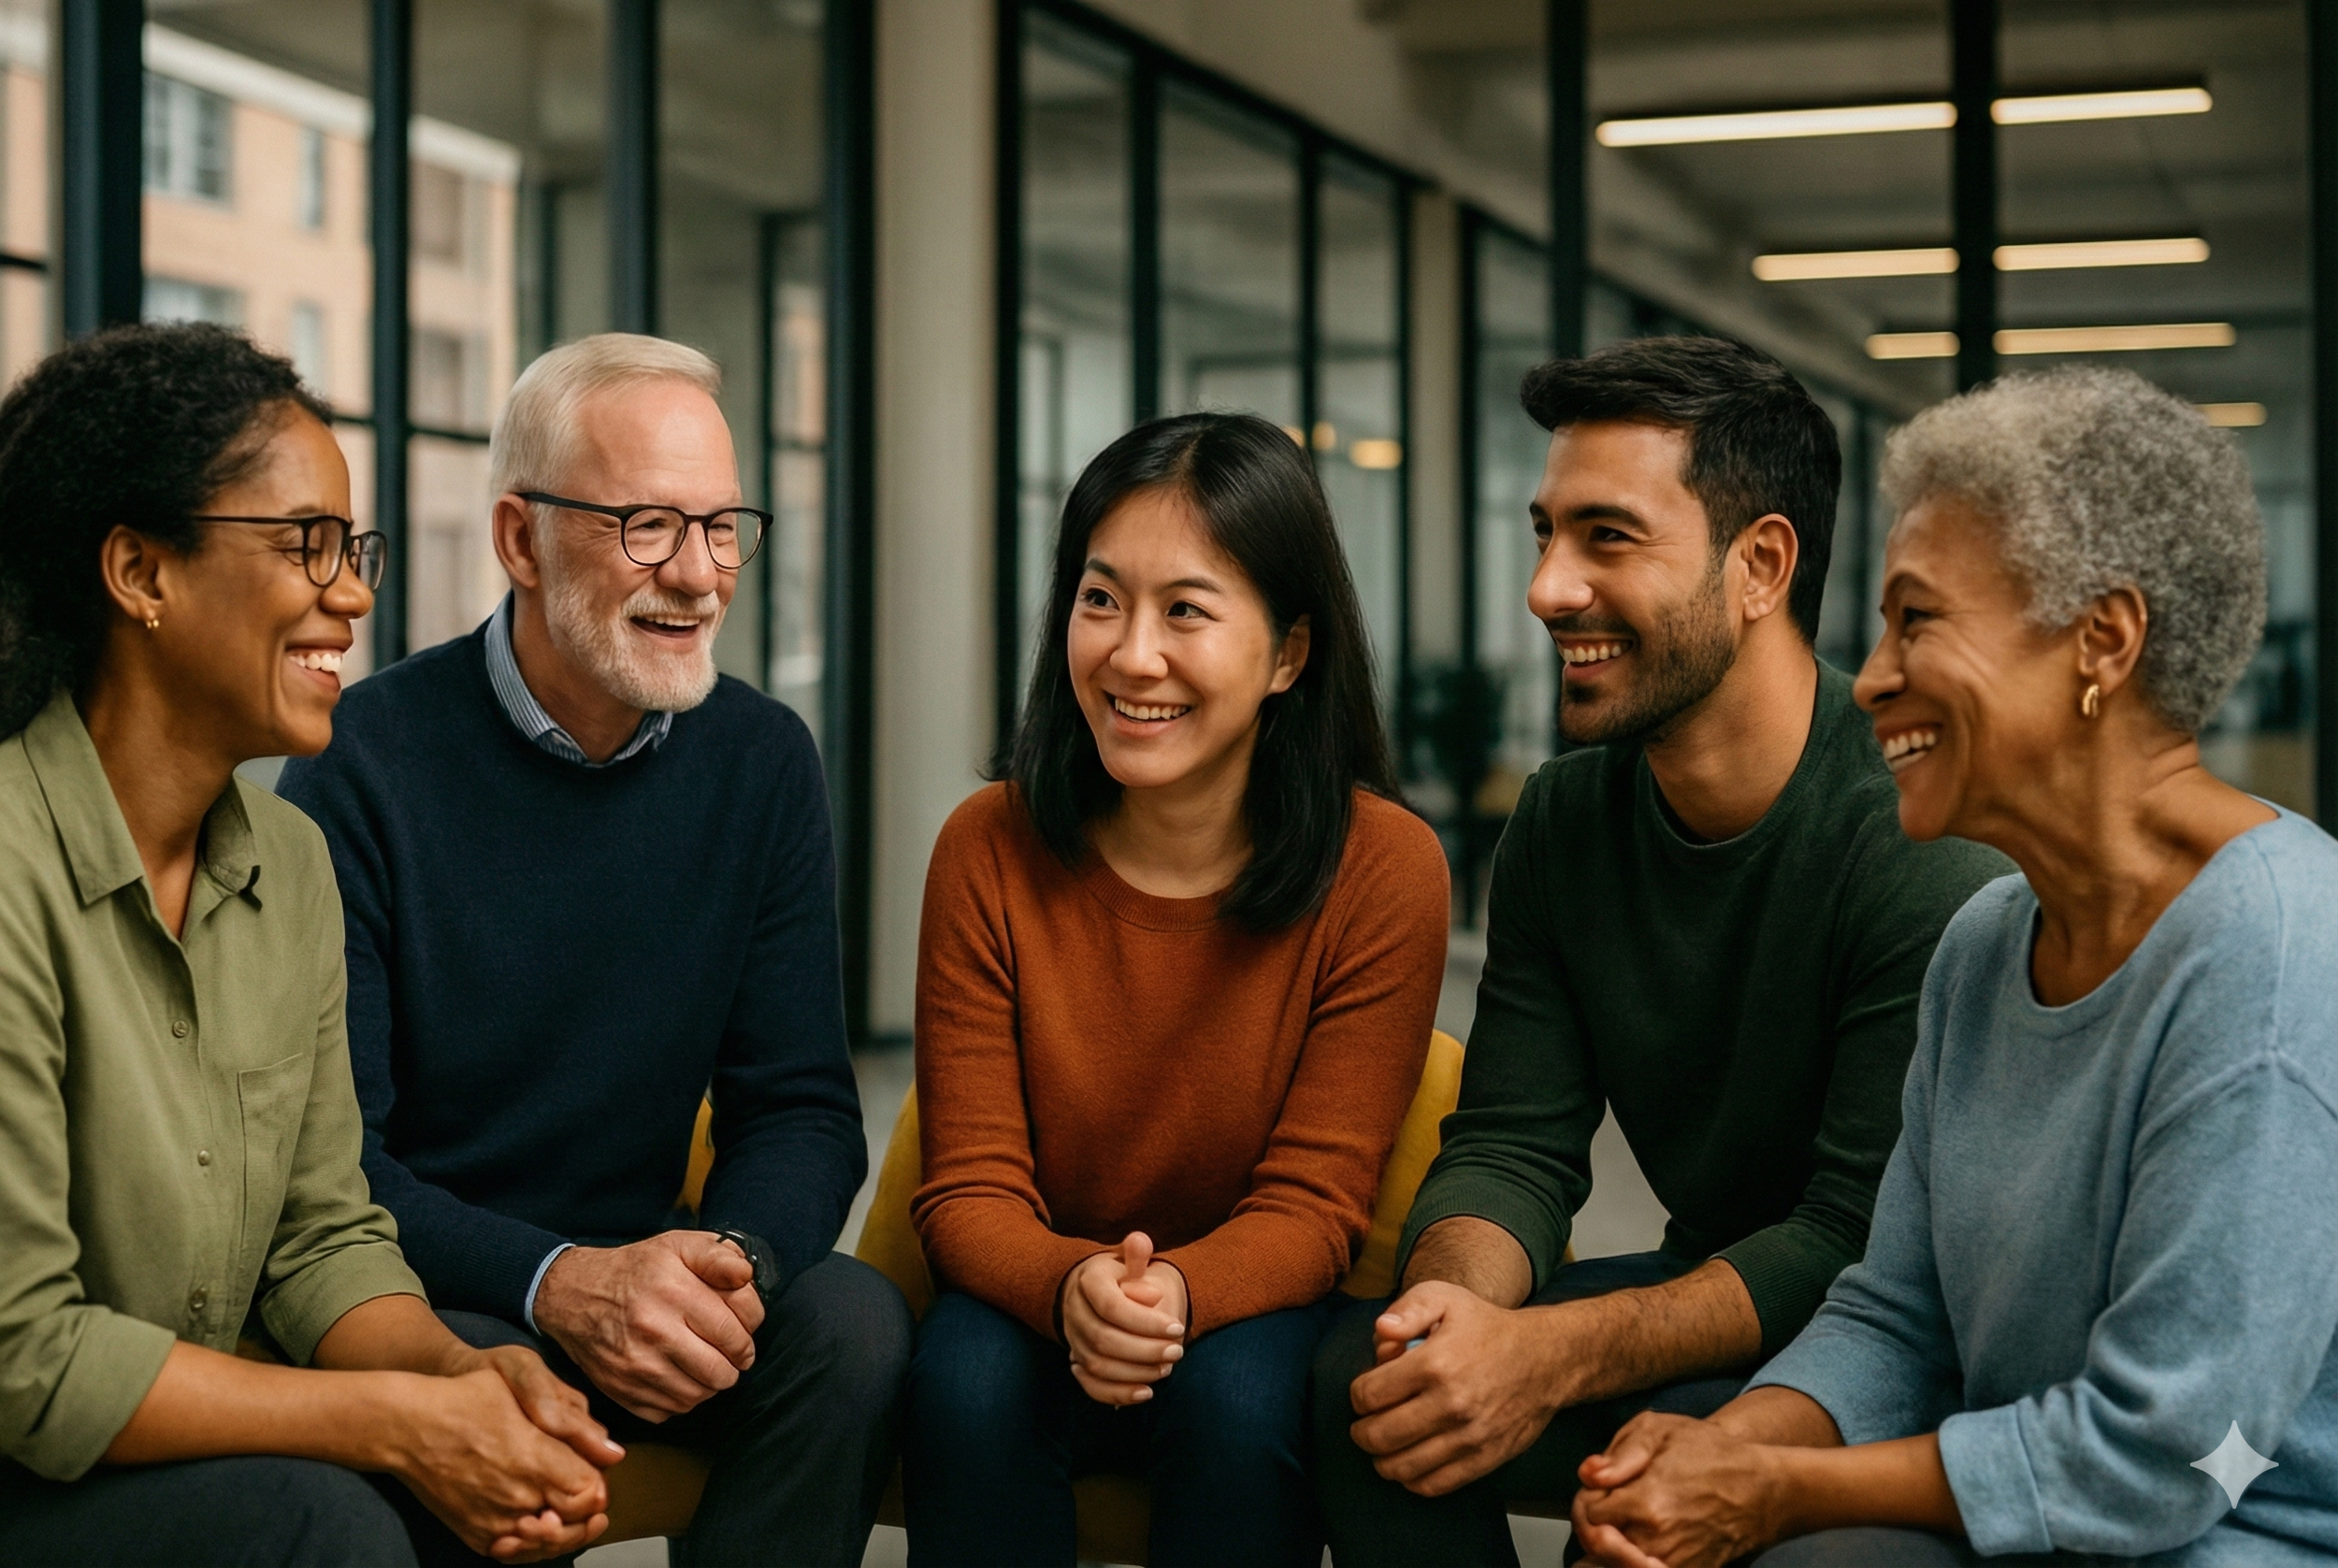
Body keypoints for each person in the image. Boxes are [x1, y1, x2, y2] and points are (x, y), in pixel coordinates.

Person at [1567, 367, 2338, 1568]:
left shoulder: (2279, 953)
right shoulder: (1982, 945)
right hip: (2026, 1523)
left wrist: (1775, 1494)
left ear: (2104, 641)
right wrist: (1731, 1448)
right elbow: (1894, 1316)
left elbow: (2171, 1453)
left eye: (1916, 620)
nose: (1868, 676)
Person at [1311, 336, 2012, 1564]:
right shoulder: (1563, 821)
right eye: (1544, 533)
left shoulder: (1917, 832)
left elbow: (1857, 1239)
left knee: (1628, 1509)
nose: (1545, 588)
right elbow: (1513, 1145)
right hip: (1710, 1309)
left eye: (1607, 538)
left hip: (1897, 1359)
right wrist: (1454, 1322)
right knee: (1370, 1395)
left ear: (1762, 566)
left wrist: (1557, 1353)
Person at [277, 333, 910, 1567]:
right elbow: (335, 1168)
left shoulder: (764, 761)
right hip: (444, 1287)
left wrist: (727, 1264)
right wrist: (561, 1279)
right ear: (518, 539)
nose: (699, 576)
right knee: (487, 1384)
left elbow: (802, 1112)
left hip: (660, 1270)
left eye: (724, 527)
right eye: (649, 527)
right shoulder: (360, 763)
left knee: (853, 1319)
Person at [0, 323, 623, 1566]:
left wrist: (465, 1375)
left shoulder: (287, 864)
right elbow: (27, 1358)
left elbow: (321, 1236)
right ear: (140, 571)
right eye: (307, 546)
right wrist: (393, 1419)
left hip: (189, 1433)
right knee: (334, 1514)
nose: (352, 592)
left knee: (488, 1479)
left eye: (355, 549)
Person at [902, 412, 1450, 1568]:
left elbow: (1313, 1207)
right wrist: (1076, 1289)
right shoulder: (987, 848)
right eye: (1100, 601)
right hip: (1037, 1280)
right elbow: (967, 1192)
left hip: (1254, 1296)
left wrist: (1173, 1300)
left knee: (1242, 1405)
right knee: (959, 1383)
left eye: (1185, 611)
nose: (1131, 654)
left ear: (1290, 655)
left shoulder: (1384, 868)